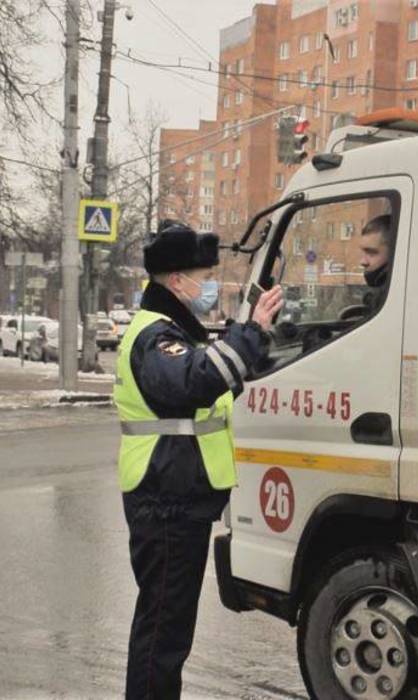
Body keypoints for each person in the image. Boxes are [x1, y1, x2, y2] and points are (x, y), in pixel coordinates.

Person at [114, 221, 283, 699]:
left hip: (173, 496)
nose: (208, 284)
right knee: (163, 631)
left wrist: (252, 336)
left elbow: (211, 371)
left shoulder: (173, 330)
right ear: (175, 281)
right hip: (164, 499)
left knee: (167, 626)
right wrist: (250, 333)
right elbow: (192, 381)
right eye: (203, 275)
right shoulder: (155, 336)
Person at [358, 214, 394, 313]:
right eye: (363, 252)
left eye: (371, 252)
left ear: (393, 253)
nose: (363, 261)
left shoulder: (390, 298)